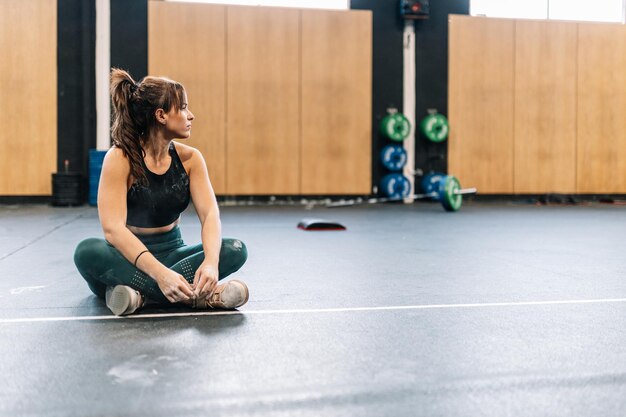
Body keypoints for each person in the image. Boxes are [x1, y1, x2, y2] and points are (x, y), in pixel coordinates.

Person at [74, 68, 249, 316]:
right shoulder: (119, 158)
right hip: (126, 259)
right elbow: (113, 230)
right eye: (184, 108)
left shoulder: (191, 159)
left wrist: (210, 263)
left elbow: (210, 214)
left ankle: (140, 297)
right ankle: (197, 298)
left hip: (174, 254)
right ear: (161, 115)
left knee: (234, 249)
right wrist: (160, 274)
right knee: (87, 252)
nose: (191, 115)